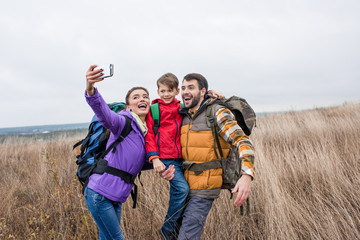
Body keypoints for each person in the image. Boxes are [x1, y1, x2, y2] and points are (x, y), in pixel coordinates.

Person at [84, 65, 175, 240]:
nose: (142, 99)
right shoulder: (122, 121)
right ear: (129, 106)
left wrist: (160, 168)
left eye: (145, 96)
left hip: (116, 196)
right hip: (100, 193)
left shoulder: (144, 133)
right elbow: (103, 114)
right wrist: (91, 89)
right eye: (136, 97)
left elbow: (136, 162)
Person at [175, 73, 255, 240]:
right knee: (172, 232)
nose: (185, 91)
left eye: (191, 87)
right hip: (183, 187)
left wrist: (247, 175)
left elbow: (243, 141)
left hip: (205, 187)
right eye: (183, 88)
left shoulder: (217, 112)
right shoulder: (183, 114)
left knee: (187, 236)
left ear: (202, 91)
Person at [145, 73, 189, 239]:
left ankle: (177, 228)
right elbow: (149, 134)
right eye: (163, 91)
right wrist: (155, 158)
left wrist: (212, 93)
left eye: (170, 90)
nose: (166, 94)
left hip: (181, 158)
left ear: (177, 91)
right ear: (157, 91)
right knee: (182, 189)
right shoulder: (154, 109)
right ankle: (167, 228)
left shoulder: (181, 107)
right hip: (165, 158)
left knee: (182, 192)